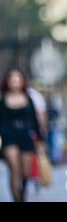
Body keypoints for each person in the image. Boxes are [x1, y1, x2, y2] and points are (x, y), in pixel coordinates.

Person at [0, 69, 45, 202]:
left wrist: (40, 140)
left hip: (26, 136)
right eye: (12, 79)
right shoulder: (2, 99)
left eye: (17, 78)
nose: (15, 81)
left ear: (22, 81)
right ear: (7, 81)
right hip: (8, 137)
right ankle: (16, 199)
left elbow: (35, 121)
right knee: (15, 170)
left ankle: (23, 195)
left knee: (25, 172)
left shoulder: (29, 98)